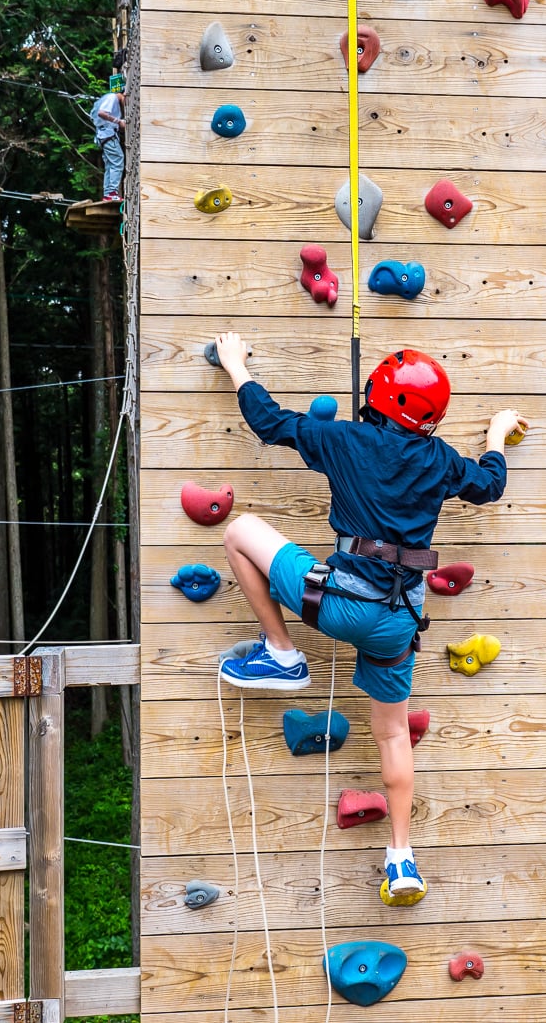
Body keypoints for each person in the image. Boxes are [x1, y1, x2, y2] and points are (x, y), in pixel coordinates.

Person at [214, 331, 527, 902]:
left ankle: (282, 653)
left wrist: (235, 365)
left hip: (337, 606)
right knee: (391, 736)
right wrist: (497, 435)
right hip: (399, 622)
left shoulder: (346, 440)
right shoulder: (440, 460)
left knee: (238, 532)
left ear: (376, 394)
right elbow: (490, 484)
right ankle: (402, 858)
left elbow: (270, 420)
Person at [90, 89, 125, 201]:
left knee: (110, 164)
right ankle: (113, 192)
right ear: (125, 94)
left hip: (104, 135)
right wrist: (118, 121)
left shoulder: (111, 99)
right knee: (118, 161)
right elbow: (101, 113)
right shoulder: (112, 98)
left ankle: (108, 194)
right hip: (108, 135)